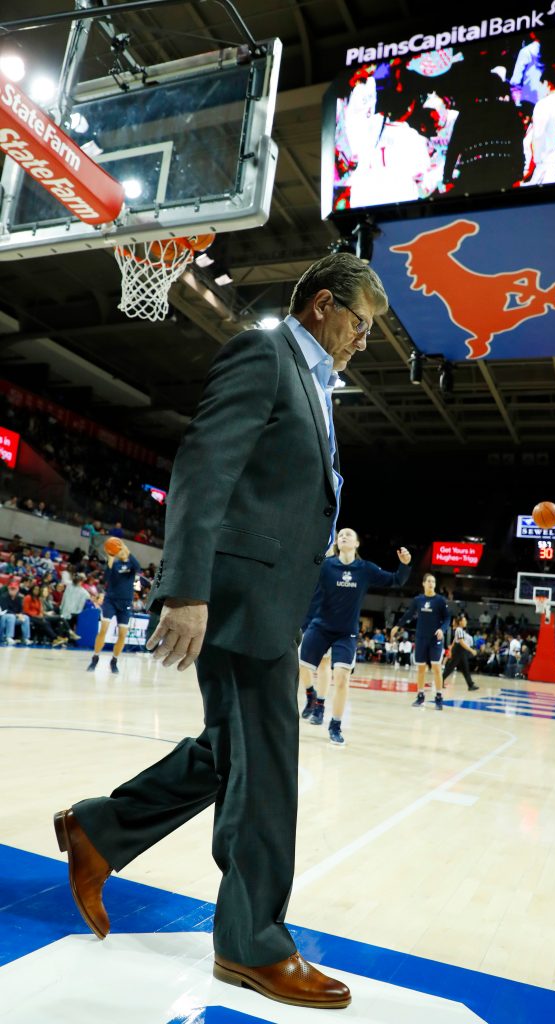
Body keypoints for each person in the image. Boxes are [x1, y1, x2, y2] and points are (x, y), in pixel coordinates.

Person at [53, 252, 388, 1010]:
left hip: (269, 595)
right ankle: (251, 945)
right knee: (266, 769)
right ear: (323, 305)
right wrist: (186, 588)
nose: (362, 341)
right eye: (359, 325)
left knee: (232, 750)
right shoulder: (265, 352)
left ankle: (98, 833)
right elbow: (205, 461)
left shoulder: (312, 379)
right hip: (237, 595)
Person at [299, 526, 411, 744]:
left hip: (346, 633)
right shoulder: (325, 566)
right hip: (320, 627)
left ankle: (335, 725)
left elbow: (396, 580)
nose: (343, 536)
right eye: (340, 534)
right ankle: (313, 697)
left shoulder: (365, 569)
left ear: (357, 543)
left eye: (348, 534)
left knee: (341, 678)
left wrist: (405, 565)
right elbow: (302, 578)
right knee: (300, 667)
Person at [391, 573, 450, 710]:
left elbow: (447, 618)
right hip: (421, 638)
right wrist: (397, 625)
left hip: (435, 639)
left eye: (433, 582)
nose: (431, 584)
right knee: (421, 669)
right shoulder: (418, 600)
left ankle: (439, 697)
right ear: (423, 583)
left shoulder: (440, 600)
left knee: (436, 668)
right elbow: (408, 615)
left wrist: (442, 629)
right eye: (429, 581)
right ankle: (420, 695)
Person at [86, 540, 141, 675]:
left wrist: (128, 551)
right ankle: (95, 658)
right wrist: (110, 560)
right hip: (111, 600)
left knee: (122, 634)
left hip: (125, 603)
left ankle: (114, 661)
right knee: (103, 629)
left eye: (122, 549)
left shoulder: (131, 564)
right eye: (119, 550)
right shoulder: (114, 564)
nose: (120, 551)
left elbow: (138, 568)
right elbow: (106, 578)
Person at [442, 613, 480, 692]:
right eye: (464, 620)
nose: (466, 622)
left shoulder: (460, 630)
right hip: (459, 650)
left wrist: (450, 649)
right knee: (451, 667)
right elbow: (461, 642)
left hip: (460, 650)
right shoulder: (459, 630)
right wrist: (471, 650)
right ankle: (440, 680)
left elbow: (454, 641)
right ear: (460, 622)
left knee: (465, 668)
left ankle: (470, 685)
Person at [0, 581, 32, 645]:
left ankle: (25, 638)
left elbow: (21, 609)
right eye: (11, 589)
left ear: (17, 589)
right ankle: (9, 637)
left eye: (14, 589)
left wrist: (21, 614)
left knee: (26, 618)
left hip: (15, 617)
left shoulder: (19, 598)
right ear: (8, 589)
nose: (12, 590)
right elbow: (4, 610)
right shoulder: (3, 597)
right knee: (11, 616)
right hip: (4, 617)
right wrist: (17, 615)